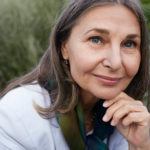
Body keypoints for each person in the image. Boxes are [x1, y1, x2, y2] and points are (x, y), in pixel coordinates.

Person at [0, 0, 150, 149]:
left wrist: (142, 146)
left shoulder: (135, 120)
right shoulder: (16, 115)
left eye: (129, 43)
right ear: (64, 47)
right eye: (96, 40)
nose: (116, 62)